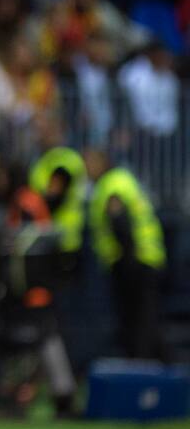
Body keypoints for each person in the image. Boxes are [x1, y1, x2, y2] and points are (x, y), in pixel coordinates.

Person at [85, 149, 167, 360]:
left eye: (90, 163)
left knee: (138, 322)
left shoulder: (112, 184)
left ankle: (141, 367)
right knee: (146, 320)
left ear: (102, 162)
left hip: (135, 261)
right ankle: (161, 364)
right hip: (145, 258)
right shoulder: (121, 179)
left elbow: (120, 223)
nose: (87, 169)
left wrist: (126, 261)